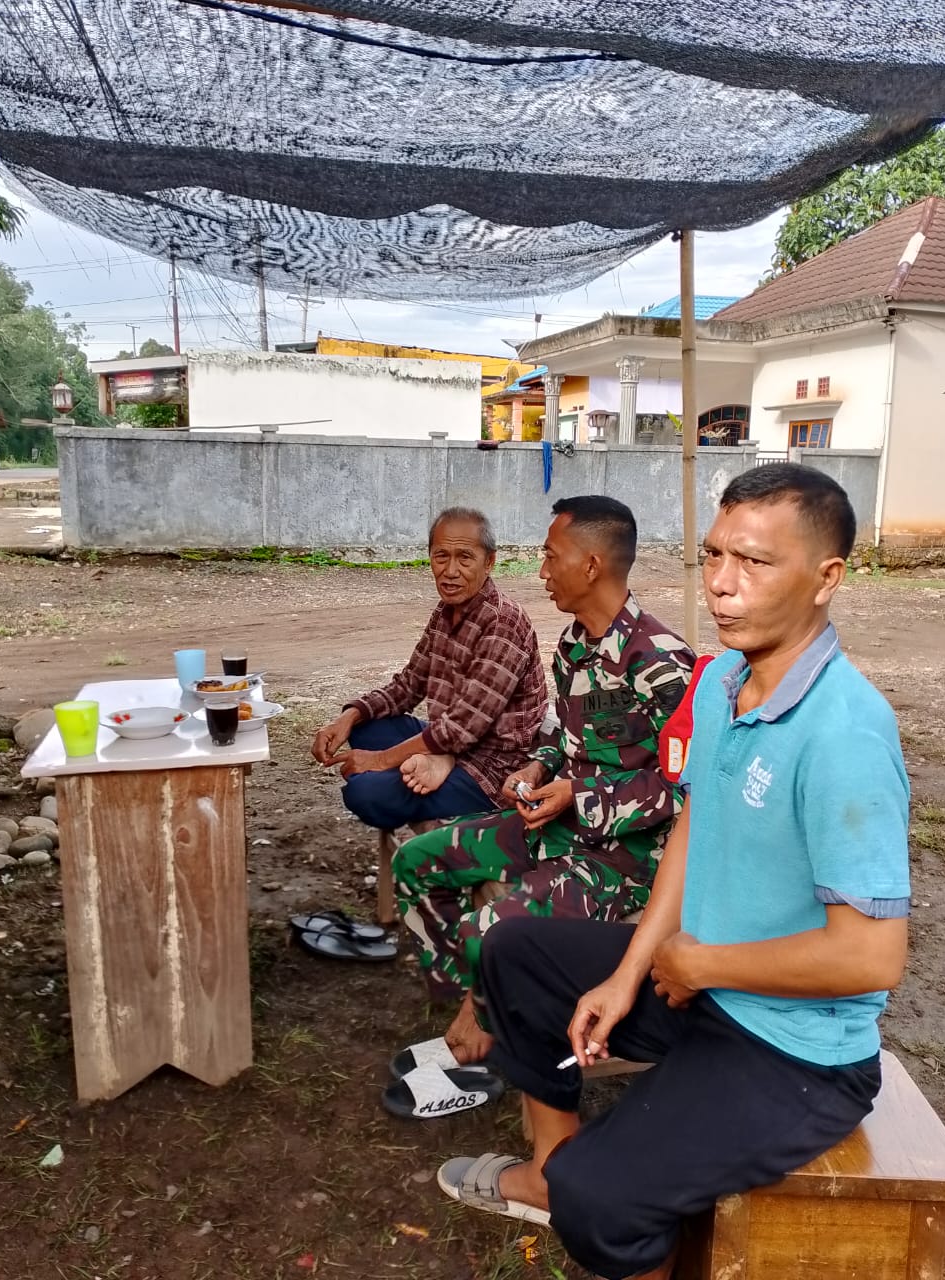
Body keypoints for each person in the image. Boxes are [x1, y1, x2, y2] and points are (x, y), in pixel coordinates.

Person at [439, 464, 911, 1280]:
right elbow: (696, 821)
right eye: (714, 555)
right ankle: (548, 1173)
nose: (722, 584)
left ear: (826, 577)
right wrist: (629, 975)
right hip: (700, 988)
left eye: (754, 562)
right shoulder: (723, 679)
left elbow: (871, 957)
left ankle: (583, 1196)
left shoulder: (846, 733)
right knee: (513, 951)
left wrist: (700, 963)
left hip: (797, 1052)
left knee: (600, 1200)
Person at [394, 496, 695, 1066]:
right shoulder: (575, 646)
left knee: (489, 931)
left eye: (551, 556)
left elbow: (685, 790)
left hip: (626, 859)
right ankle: (476, 1000)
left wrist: (578, 796)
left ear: (591, 566)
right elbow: (568, 737)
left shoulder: (659, 661)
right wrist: (538, 767)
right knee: (416, 861)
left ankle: (487, 1030)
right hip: (556, 826)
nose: (541, 571)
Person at [311, 507, 547, 831]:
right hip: (451, 743)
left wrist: (378, 761)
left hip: (491, 769)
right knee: (364, 728)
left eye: (465, 558)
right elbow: (408, 686)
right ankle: (434, 761)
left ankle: (437, 768)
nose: (450, 571)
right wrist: (348, 717)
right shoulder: (446, 611)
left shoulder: (504, 622)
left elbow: (460, 729)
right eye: (441, 557)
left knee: (364, 793)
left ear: (489, 562)